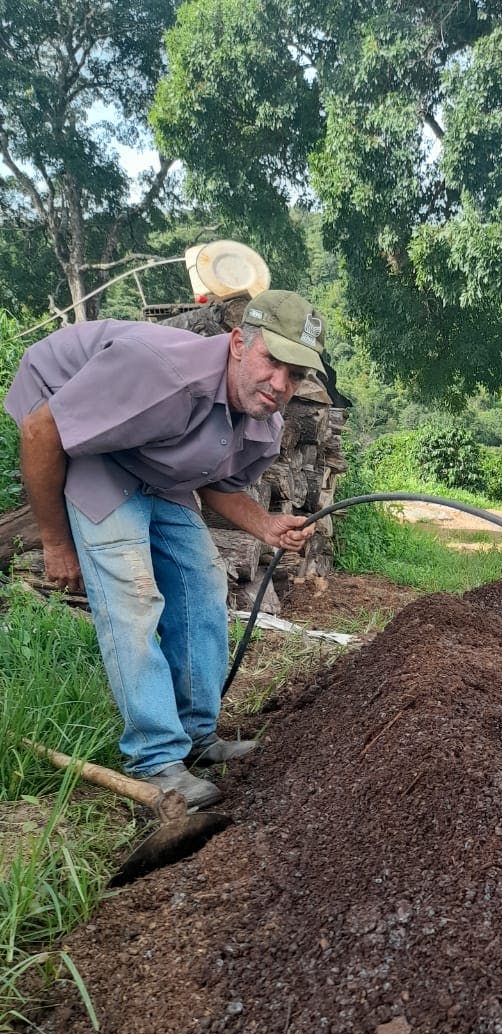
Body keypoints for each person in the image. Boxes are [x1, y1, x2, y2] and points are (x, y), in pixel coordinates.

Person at [4, 289, 326, 810]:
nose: (280, 386)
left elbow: (216, 483)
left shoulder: (263, 420)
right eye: (273, 362)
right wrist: (56, 541)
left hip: (152, 459)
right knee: (133, 597)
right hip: (86, 438)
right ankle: (156, 759)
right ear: (240, 342)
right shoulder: (165, 376)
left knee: (203, 584)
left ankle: (196, 737)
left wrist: (266, 525)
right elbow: (44, 430)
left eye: (296, 375)